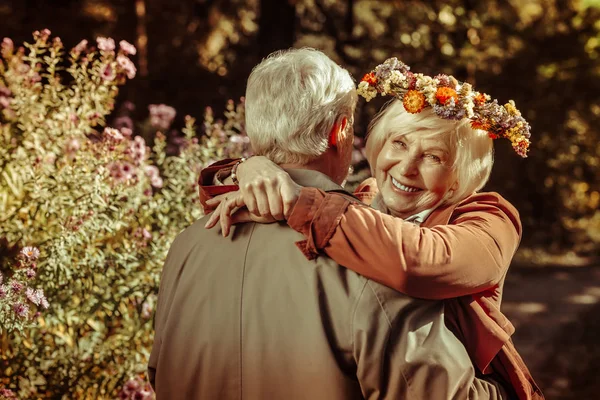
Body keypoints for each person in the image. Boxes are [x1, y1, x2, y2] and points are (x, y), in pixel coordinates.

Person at [149, 48, 509, 399]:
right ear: (342, 131)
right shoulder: (373, 265)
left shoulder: (188, 245)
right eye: (399, 143)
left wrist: (257, 174)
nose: (407, 167)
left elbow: (159, 372)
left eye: (432, 156)